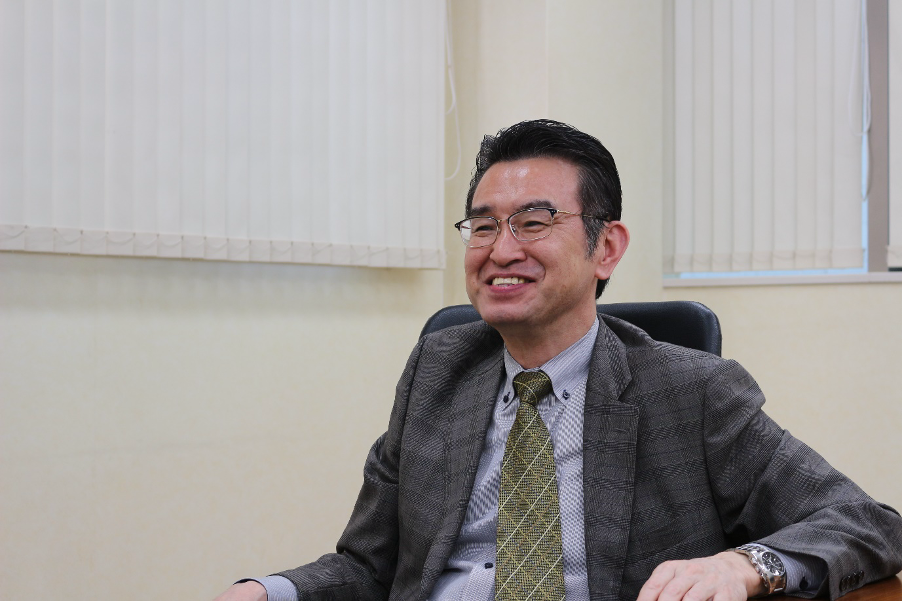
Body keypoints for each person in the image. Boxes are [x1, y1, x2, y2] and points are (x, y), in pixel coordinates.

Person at [217, 120, 902, 601]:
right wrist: (269, 591)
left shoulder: (690, 391)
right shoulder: (436, 372)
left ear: (606, 248)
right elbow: (369, 567)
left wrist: (743, 565)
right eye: (483, 225)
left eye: (534, 222)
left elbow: (867, 523)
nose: (501, 249)